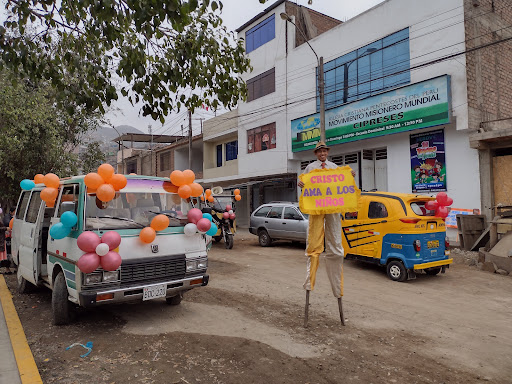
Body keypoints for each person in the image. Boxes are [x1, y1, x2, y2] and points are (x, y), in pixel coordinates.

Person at [298, 141, 356, 326]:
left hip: (332, 208)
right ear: (316, 154)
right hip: (316, 209)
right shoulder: (310, 168)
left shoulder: (334, 167)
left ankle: (337, 287)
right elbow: (304, 184)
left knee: (335, 245)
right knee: (313, 244)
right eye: (320, 152)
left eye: (324, 151)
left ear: (327, 153)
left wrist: (350, 175)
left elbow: (343, 182)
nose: (322, 154)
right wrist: (300, 183)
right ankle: (310, 281)